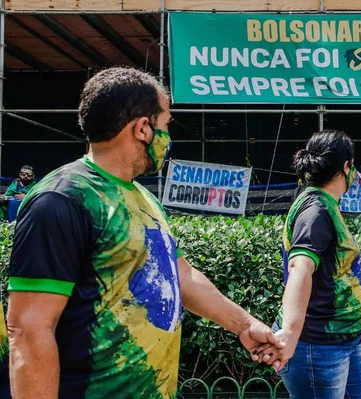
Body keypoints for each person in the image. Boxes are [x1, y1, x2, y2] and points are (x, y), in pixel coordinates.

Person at [3, 67, 283, 398]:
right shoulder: (62, 198)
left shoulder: (142, 198)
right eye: (165, 125)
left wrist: (245, 325)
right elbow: (28, 329)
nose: (168, 137)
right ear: (143, 129)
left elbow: (182, 277)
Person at [258, 130, 361, 399]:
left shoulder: (325, 204)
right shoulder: (315, 211)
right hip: (319, 346)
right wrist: (289, 331)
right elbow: (300, 267)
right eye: (352, 165)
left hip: (346, 339)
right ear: (346, 167)